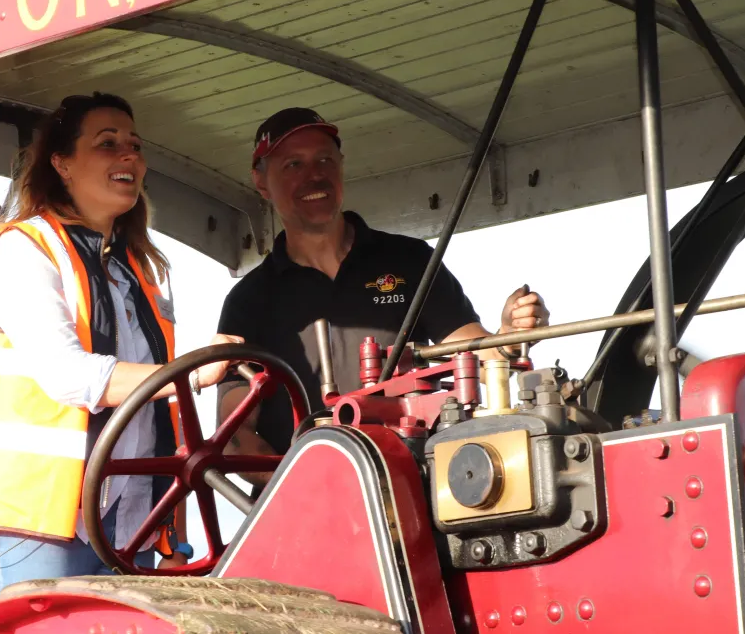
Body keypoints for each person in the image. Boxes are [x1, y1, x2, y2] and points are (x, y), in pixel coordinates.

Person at [0, 92, 241, 593]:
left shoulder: (139, 273)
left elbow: (156, 418)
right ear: (62, 163)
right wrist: (192, 370)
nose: (129, 156)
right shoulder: (24, 251)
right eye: (108, 144)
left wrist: (175, 539)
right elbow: (70, 376)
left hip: (131, 528)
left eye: (134, 145)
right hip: (38, 525)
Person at [215, 107, 550, 497]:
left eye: (325, 159)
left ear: (341, 167)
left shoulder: (409, 261)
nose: (314, 175)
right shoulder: (248, 300)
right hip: (302, 514)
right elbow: (234, 431)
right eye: (293, 164)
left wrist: (508, 338)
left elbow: (474, 353)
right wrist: (304, 490)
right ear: (261, 181)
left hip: (413, 491)